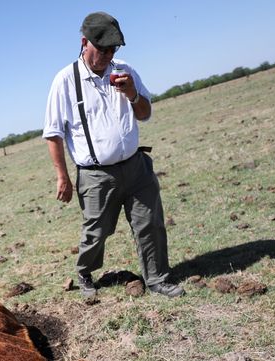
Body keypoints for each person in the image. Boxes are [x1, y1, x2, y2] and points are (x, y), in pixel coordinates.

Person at [43, 11, 184, 298]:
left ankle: (157, 279)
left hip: (136, 167)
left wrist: (132, 93)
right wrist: (62, 177)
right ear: (85, 42)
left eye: (113, 49)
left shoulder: (125, 70)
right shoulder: (65, 81)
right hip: (96, 176)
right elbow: (54, 133)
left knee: (150, 224)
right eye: (102, 49)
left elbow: (145, 114)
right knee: (97, 232)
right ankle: (85, 273)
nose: (108, 55)